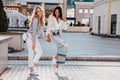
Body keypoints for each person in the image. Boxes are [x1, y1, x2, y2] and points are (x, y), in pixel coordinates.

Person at [46, 6, 68, 75]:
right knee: (63, 45)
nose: (57, 13)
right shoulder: (51, 17)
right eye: (56, 12)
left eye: (58, 12)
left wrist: (65, 21)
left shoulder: (61, 19)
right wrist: (48, 37)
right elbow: (48, 27)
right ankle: (55, 58)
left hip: (59, 34)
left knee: (65, 46)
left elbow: (65, 28)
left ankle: (56, 67)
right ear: (54, 11)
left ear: (60, 12)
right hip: (53, 34)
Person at [25, 6, 45, 76]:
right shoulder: (36, 19)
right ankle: (31, 70)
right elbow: (33, 32)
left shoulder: (40, 19)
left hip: (33, 38)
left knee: (39, 52)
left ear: (42, 12)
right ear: (36, 12)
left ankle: (31, 66)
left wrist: (45, 38)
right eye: (38, 11)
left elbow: (41, 31)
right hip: (30, 37)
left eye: (40, 11)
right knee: (31, 53)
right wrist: (33, 42)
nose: (39, 12)